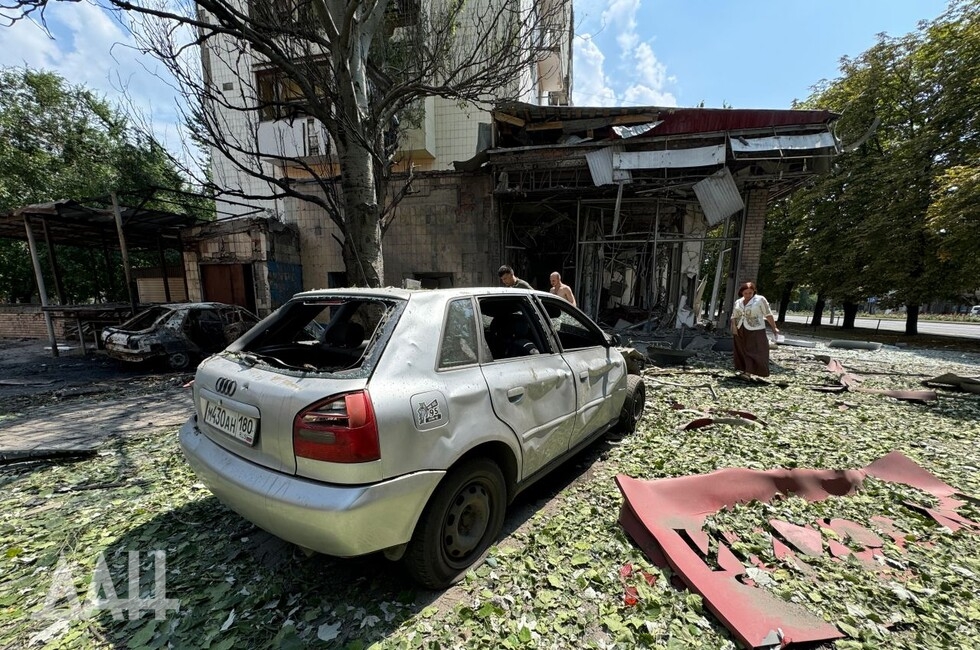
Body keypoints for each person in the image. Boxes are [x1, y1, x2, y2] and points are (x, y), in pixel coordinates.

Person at [730, 281, 779, 378]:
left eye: (750, 293)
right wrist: (734, 327)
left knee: (755, 351)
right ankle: (743, 370)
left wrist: (774, 327)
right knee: (741, 349)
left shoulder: (760, 300)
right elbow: (734, 316)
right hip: (740, 328)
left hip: (755, 329)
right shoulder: (738, 302)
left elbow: (768, 314)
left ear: (753, 292)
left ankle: (749, 372)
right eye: (745, 293)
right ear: (742, 293)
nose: (748, 295)